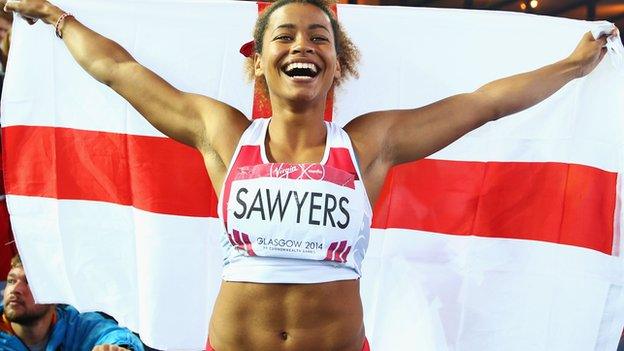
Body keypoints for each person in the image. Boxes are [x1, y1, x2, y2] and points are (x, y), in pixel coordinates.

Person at [1, 0, 618, 350]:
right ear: (260, 58)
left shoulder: (370, 144)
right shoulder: (222, 134)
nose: (304, 44)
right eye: (286, 34)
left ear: (336, 62)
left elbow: (485, 102)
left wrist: (573, 66)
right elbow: (117, 70)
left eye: (319, 36)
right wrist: (54, 17)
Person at [0, 255, 145, 351]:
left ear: (55, 295)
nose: (15, 289)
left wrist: (118, 347)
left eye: (30, 283)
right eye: (11, 280)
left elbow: (113, 334)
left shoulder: (76, 324)